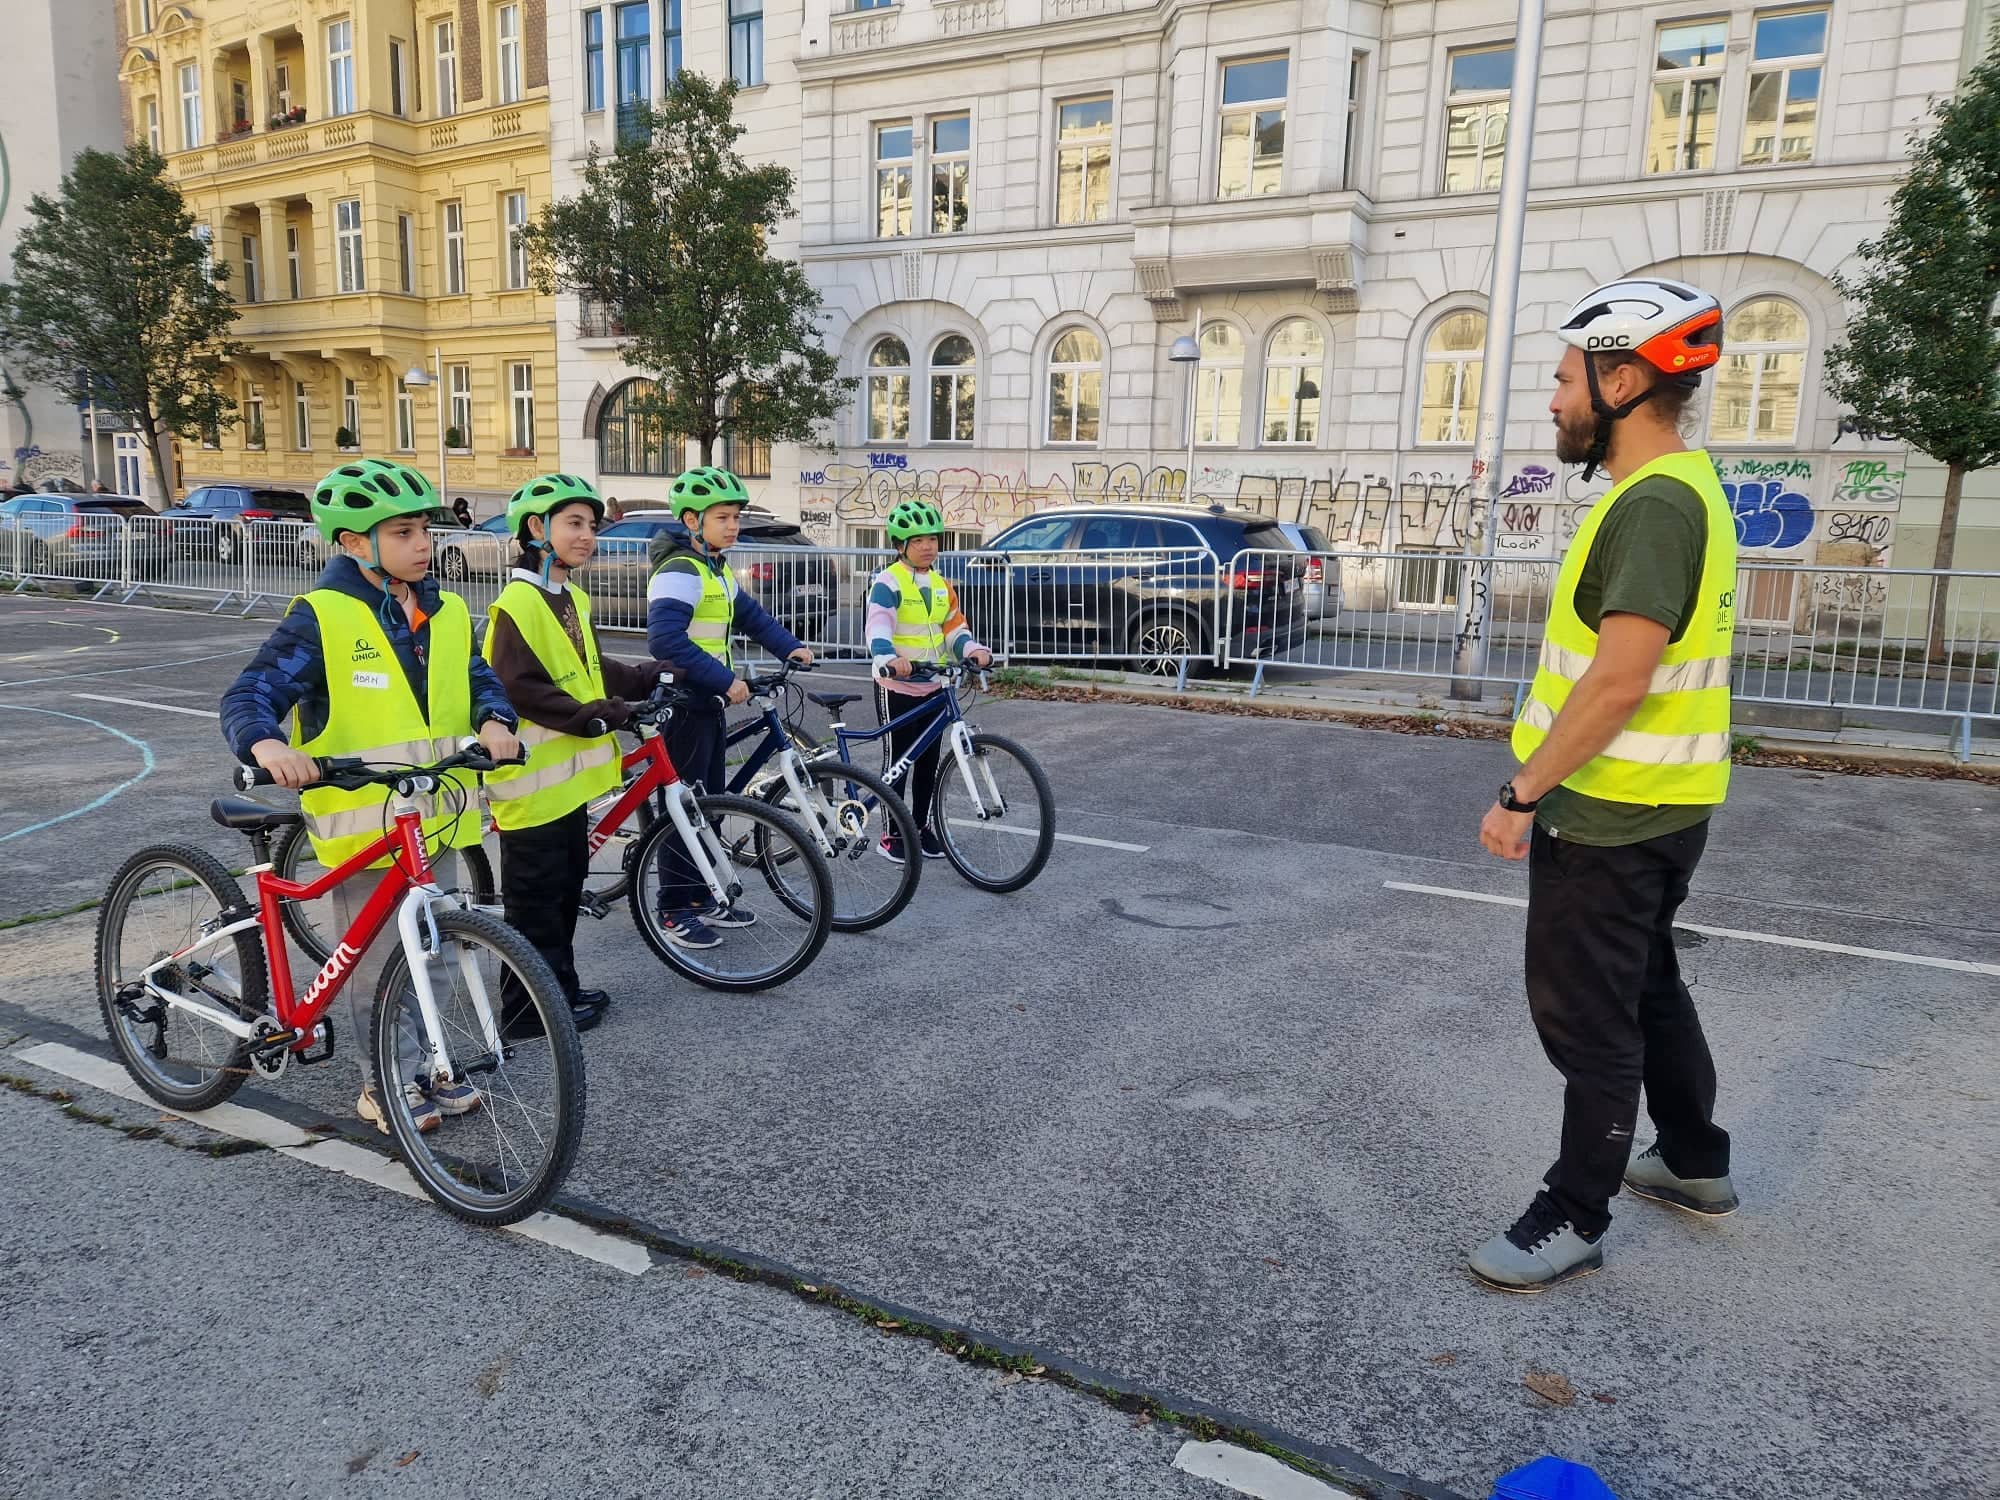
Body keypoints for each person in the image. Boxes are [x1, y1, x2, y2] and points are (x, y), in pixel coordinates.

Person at [1468, 277, 1739, 1294]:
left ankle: (1571, 1212)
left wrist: (1522, 791)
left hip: (1608, 811)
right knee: (1647, 985)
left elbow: (1619, 676)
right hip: (1663, 801)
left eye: (1561, 378)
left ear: (1622, 378)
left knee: (1587, 1018)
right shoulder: (1684, 486)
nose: (1551, 399)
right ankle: (1693, 1160)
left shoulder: (1653, 504)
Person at [220, 458, 521, 1136]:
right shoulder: (323, 617)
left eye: (426, 530)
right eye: (405, 532)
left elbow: (479, 681)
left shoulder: (441, 611)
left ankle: (423, 1066)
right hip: (364, 825)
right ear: (355, 543)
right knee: (378, 968)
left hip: (430, 819)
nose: (424, 544)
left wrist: (496, 721)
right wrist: (268, 747)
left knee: (433, 955)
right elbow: (251, 694)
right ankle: (382, 1081)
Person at [481, 472, 676, 1034]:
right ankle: (525, 1012)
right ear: (536, 529)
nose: (587, 535)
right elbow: (520, 688)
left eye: (591, 525)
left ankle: (559, 988)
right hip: (531, 785)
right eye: (573, 524)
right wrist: (598, 714)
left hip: (565, 785)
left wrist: (650, 675)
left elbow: (591, 668)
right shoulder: (518, 601)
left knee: (564, 895)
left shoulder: (568, 595)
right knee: (535, 903)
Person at [644, 465, 813, 948]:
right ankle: (675, 909)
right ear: (693, 520)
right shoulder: (679, 570)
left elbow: (754, 618)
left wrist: (790, 647)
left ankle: (702, 898)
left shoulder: (713, 570)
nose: (734, 525)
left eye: (736, 516)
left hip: (707, 701)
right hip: (682, 702)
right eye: (723, 517)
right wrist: (726, 679)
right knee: (686, 809)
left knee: (707, 805)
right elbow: (666, 641)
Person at [866, 498, 991, 863]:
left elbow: (955, 627)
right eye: (918, 540)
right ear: (900, 545)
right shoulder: (887, 582)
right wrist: (889, 658)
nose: (927, 546)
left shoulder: (941, 585)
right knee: (898, 761)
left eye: (933, 539)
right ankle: (890, 835)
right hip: (897, 686)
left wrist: (972, 650)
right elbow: (877, 627)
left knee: (927, 763)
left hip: (935, 687)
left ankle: (920, 827)